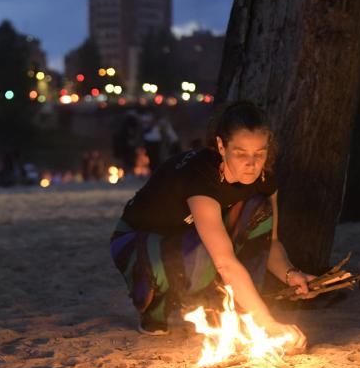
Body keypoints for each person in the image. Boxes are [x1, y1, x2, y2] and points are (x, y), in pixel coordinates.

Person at [110, 100, 314, 351]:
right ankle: (155, 305)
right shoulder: (201, 177)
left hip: (188, 239)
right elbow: (224, 261)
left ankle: (239, 309)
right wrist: (268, 323)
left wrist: (291, 274)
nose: (252, 163)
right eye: (241, 153)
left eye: (259, 153)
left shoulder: (264, 179)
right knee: (207, 251)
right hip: (136, 241)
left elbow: (270, 242)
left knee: (258, 208)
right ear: (221, 146)